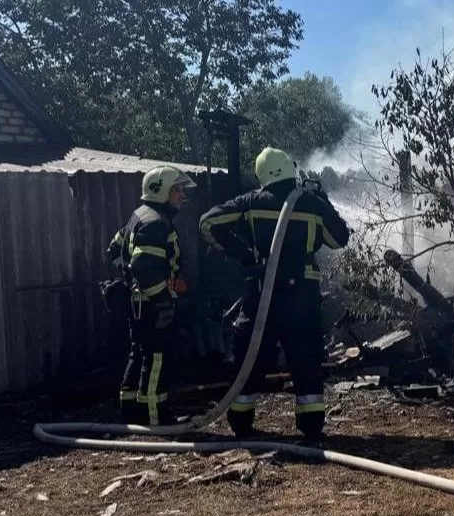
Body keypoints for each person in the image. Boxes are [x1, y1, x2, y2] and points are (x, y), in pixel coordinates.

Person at [199, 147, 351, 440]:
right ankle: (311, 427)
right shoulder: (310, 203)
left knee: (250, 357)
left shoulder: (251, 202)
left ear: (261, 174)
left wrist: (241, 254)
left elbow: (207, 222)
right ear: (290, 169)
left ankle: (240, 423)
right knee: (305, 359)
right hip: (301, 297)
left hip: (261, 296)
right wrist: (323, 202)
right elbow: (338, 239)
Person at [105, 166, 195, 426]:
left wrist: (129, 280)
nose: (182, 195)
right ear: (160, 190)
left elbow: (114, 250)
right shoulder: (156, 222)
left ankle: (131, 411)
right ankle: (157, 416)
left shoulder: (139, 216)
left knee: (139, 354)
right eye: (177, 189)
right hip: (152, 305)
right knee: (158, 359)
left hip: (139, 304)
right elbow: (144, 266)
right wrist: (163, 301)